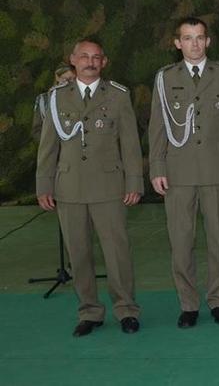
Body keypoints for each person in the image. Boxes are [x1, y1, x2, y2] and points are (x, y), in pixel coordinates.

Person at [36, 37, 143, 336]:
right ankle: (90, 311)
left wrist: (134, 181)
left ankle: (126, 310)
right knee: (79, 253)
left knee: (117, 252)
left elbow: (131, 144)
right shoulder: (56, 98)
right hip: (69, 187)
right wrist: (44, 185)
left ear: (104, 62)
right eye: (84, 56)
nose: (90, 62)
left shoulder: (119, 95)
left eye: (96, 57)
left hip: (109, 186)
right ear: (73, 59)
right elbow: (48, 147)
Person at [149, 17, 219, 328]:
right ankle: (188, 304)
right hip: (178, 172)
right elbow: (157, 126)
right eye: (188, 38)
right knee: (181, 241)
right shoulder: (164, 78)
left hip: (216, 170)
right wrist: (157, 166)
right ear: (177, 43)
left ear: (208, 41)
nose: (194, 44)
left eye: (200, 37)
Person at [33, 65, 76, 140]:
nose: (71, 83)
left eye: (74, 79)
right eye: (67, 79)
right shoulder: (44, 100)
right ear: (58, 78)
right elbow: (37, 130)